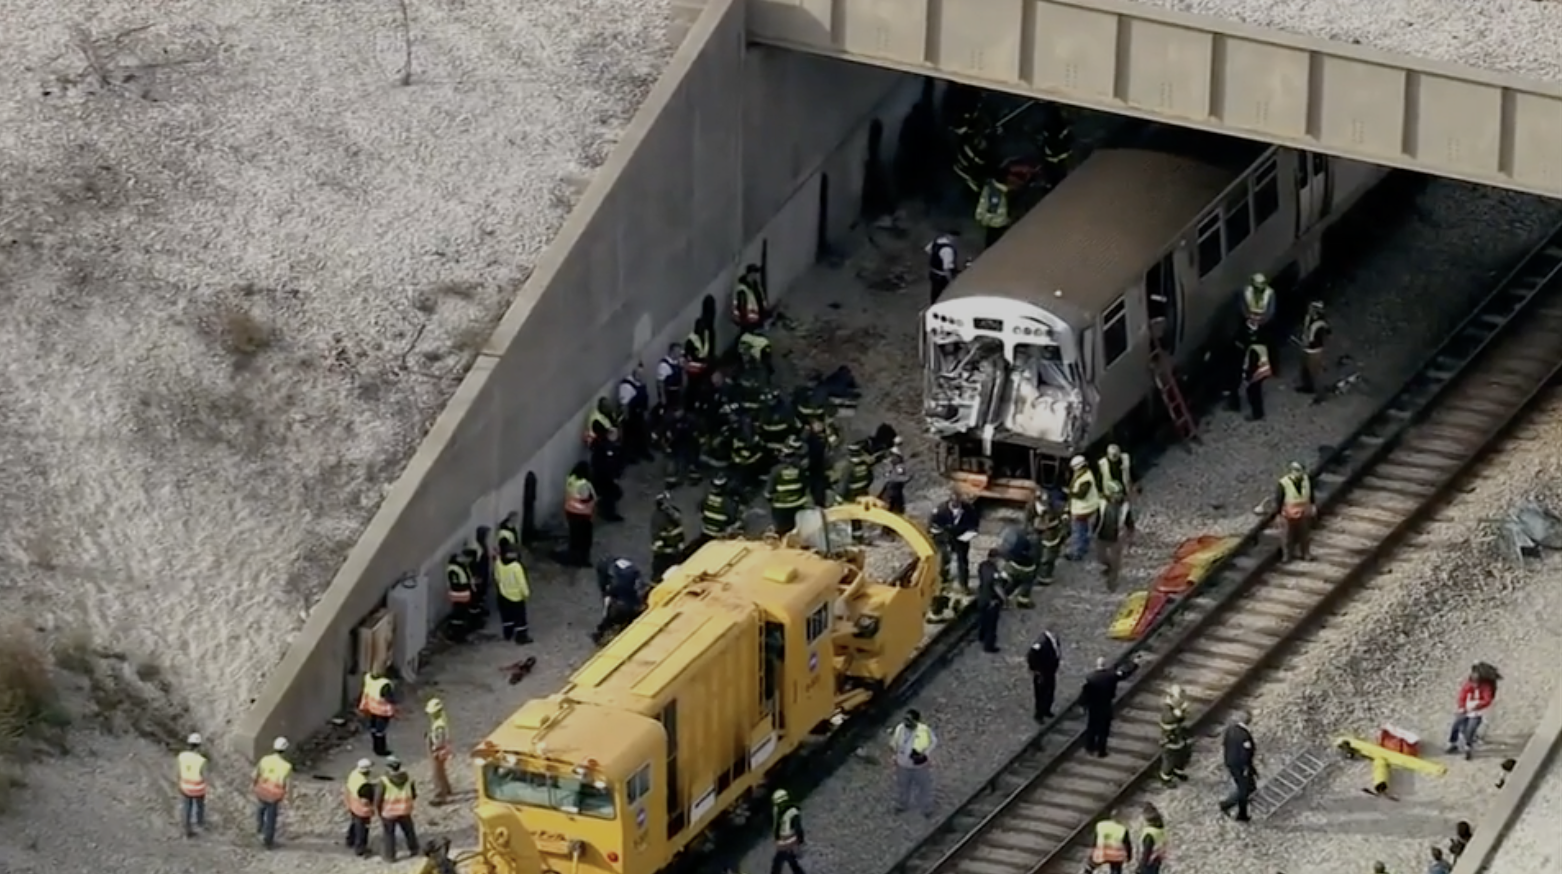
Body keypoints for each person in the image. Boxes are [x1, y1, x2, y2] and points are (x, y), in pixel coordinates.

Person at [1080, 655, 1142, 757]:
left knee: (1091, 727)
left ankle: (1089, 747)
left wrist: (1083, 704)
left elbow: (1085, 693)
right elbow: (1124, 674)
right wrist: (1134, 664)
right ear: (1105, 665)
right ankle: (1101, 751)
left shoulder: (1090, 677)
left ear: (1097, 665)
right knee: (1103, 729)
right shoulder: (1111, 676)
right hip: (1106, 705)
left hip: (1093, 706)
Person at [889, 710, 937, 816]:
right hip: (902, 765)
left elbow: (933, 742)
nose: (906, 722)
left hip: (919, 766)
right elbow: (894, 742)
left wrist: (925, 754)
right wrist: (894, 751)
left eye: (909, 720)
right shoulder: (900, 728)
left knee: (924, 787)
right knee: (903, 786)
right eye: (905, 719)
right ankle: (902, 805)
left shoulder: (924, 730)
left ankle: (927, 809)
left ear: (916, 721)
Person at [1448, 663, 1499, 758]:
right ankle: (1453, 742)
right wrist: (1462, 707)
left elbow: (1487, 700)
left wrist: (1478, 705)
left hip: (1477, 712)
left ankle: (1468, 746)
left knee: (1470, 729)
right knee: (1456, 724)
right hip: (1466, 709)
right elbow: (1462, 696)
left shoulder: (1486, 688)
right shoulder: (1468, 685)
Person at [252, 736, 293, 850]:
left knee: (260, 809)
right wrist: (289, 798)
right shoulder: (286, 766)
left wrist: (254, 785)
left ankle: (259, 829)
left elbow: (255, 774)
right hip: (274, 796)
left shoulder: (265, 760)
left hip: (262, 791)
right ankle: (268, 841)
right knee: (271, 817)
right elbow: (288, 785)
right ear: (285, 750)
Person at [377, 756, 421, 862]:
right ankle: (414, 849)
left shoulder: (384, 781)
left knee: (389, 834)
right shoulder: (408, 779)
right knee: (409, 831)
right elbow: (413, 794)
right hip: (405, 809)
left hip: (389, 812)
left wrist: (379, 811)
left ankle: (390, 856)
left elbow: (378, 798)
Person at [929, 494, 977, 590]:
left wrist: (969, 532)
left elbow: (974, 522)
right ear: (950, 502)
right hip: (945, 538)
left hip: (961, 538)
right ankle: (943, 581)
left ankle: (963, 585)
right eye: (955, 504)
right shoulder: (941, 510)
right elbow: (933, 524)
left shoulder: (968, 509)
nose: (957, 506)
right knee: (944, 559)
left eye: (958, 504)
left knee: (962, 561)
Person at [1269, 461, 1314, 562]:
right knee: (1287, 536)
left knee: (1305, 535)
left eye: (1301, 471)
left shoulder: (1306, 480)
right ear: (1292, 471)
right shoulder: (1284, 483)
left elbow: (1311, 493)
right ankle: (1287, 556)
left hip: (1303, 512)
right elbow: (1279, 499)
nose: (1300, 473)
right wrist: (1278, 514)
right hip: (1288, 514)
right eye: (1297, 471)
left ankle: (1305, 553)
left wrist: (1313, 506)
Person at [1094, 481, 1135, 590]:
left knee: (1116, 562)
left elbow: (1129, 522)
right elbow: (1098, 519)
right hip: (1101, 535)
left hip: (1117, 537)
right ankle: (1108, 566)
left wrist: (1130, 535)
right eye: (1116, 493)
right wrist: (1094, 531)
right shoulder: (1102, 504)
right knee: (1100, 557)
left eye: (1119, 493)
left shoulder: (1125, 507)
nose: (1118, 496)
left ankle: (1112, 583)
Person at [594, 557, 646, 643]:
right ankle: (604, 632)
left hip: (622, 594)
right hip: (626, 594)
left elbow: (608, 590)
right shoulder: (628, 576)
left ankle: (602, 633)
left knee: (612, 613)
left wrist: (606, 593)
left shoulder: (619, 580)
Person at [1220, 711, 1258, 822]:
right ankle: (1238, 812)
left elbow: (1225, 744)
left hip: (1231, 762)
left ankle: (1248, 796)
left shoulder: (1230, 729)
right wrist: (1245, 768)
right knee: (1243, 789)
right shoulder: (1244, 735)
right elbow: (1245, 754)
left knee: (1249, 785)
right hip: (1241, 766)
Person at [494, 545, 532, 644]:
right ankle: (521, 637)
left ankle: (508, 634)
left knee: (507, 617)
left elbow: (497, 577)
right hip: (516, 596)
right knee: (520, 618)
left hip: (503, 594)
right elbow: (522, 582)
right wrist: (526, 594)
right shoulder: (516, 567)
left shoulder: (498, 562)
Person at [766, 451, 810, 535]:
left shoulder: (776, 471)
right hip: (797, 506)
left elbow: (768, 492)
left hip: (781, 508)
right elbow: (805, 485)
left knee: (781, 531)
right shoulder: (800, 470)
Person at [1067, 455, 1101, 561]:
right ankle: (1084, 547)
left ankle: (1077, 553)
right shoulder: (1086, 473)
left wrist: (1070, 493)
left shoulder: (1085, 478)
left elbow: (1081, 494)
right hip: (1090, 506)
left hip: (1082, 509)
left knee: (1078, 530)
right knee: (1084, 528)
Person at [563, 461, 597, 567]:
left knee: (574, 537)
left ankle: (573, 557)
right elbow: (586, 497)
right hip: (582, 514)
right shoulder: (584, 484)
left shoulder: (571, 479)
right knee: (585, 539)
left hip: (570, 511)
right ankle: (582, 560)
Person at [616, 365, 653, 463]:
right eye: (639, 375)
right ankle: (630, 457)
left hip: (640, 413)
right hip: (631, 415)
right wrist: (627, 418)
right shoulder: (627, 386)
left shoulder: (640, 383)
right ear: (634, 374)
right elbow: (624, 404)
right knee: (630, 437)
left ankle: (643, 451)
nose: (642, 377)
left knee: (642, 433)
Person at [358, 666, 397, 757]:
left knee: (374, 729)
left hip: (371, 708)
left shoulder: (368, 678)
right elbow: (390, 698)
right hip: (382, 711)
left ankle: (375, 747)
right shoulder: (385, 684)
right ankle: (381, 750)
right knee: (381, 731)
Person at [999, 523, 1039, 607]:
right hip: (1027, 569)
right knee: (1027, 584)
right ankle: (1023, 600)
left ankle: (1003, 596)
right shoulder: (1033, 542)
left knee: (1012, 582)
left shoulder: (1011, 541)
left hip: (1012, 566)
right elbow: (1036, 557)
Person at [177, 732, 209, 838]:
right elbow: (204, 775)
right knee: (200, 805)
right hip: (198, 788)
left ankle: (187, 828)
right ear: (199, 746)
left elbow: (178, 770)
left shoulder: (182, 756)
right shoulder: (201, 760)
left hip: (185, 786)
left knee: (187, 807)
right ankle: (199, 822)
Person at [1158, 685, 1191, 785]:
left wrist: (1182, 712)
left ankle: (1178, 771)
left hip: (1179, 738)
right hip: (1170, 741)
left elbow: (1181, 720)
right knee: (1169, 762)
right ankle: (1166, 779)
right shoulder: (1167, 710)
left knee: (1182, 757)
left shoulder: (1175, 707)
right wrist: (1179, 714)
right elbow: (1169, 720)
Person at [1297, 300, 1331, 399]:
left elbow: (1325, 334)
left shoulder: (1320, 324)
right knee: (1305, 370)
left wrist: (1310, 342)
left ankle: (1320, 394)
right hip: (1306, 348)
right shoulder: (1308, 318)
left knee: (1314, 372)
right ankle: (1307, 387)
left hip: (1315, 350)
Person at [589, 433, 625, 522]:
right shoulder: (601, 450)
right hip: (602, 479)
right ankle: (607, 513)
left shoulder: (607, 448)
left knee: (615, 493)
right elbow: (602, 466)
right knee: (611, 494)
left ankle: (605, 508)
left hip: (606, 477)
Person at [974, 550, 1006, 653]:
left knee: (983, 619)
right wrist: (1004, 599)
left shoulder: (982, 565)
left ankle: (981, 636)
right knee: (991, 625)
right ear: (995, 558)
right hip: (991, 601)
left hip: (981, 597)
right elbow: (997, 587)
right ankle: (989, 646)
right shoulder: (994, 572)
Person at [650, 493, 686, 582]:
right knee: (660, 574)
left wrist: (680, 542)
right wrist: (669, 551)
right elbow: (657, 544)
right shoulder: (659, 521)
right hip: (665, 554)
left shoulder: (671, 514)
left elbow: (678, 530)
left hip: (675, 549)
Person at [698, 474, 740, 548]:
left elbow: (701, 510)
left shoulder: (706, 498)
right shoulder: (728, 502)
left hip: (705, 531)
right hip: (720, 534)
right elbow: (732, 520)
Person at [424, 699, 454, 805]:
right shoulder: (442, 718)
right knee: (441, 771)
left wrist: (434, 748)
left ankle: (440, 795)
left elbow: (440, 739)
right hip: (444, 749)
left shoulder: (439, 725)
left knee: (437, 773)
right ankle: (447, 789)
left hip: (439, 750)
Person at [1026, 629, 1060, 721]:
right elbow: (1031, 654)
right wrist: (1034, 669)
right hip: (1042, 673)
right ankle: (1039, 715)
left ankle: (1046, 710)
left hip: (1050, 670)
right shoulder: (1041, 642)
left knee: (1050, 691)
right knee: (1041, 694)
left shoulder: (1055, 638)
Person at [343, 758, 375, 857]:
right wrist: (372, 809)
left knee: (354, 823)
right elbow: (365, 800)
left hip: (352, 804)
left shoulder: (354, 774)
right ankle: (360, 848)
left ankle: (350, 840)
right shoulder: (364, 783)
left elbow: (348, 788)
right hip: (362, 809)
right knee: (362, 828)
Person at [444, 550, 477, 643]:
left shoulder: (462, 566)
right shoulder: (454, 569)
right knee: (458, 616)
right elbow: (456, 583)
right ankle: (456, 635)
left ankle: (459, 633)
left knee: (461, 615)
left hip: (463, 594)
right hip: (459, 595)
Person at [770, 788, 805, 874]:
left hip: (789, 844)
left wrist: (799, 844)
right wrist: (777, 837)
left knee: (782, 863)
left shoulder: (793, 813)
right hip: (783, 843)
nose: (778, 806)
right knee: (787, 863)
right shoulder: (777, 810)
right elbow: (777, 825)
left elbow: (799, 830)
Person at [1033, 496, 1066, 586]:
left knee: (1048, 559)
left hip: (1051, 539)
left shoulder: (1055, 510)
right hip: (1042, 538)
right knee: (1041, 557)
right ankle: (1042, 575)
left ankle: (1044, 577)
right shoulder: (1033, 507)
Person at [1240, 338, 1273, 421]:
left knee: (1253, 394)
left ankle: (1256, 414)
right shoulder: (1261, 347)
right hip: (1262, 372)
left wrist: (1248, 377)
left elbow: (1252, 365)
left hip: (1256, 374)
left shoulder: (1253, 350)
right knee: (1257, 393)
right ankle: (1259, 413)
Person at [974, 177, 1012, 248]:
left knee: (992, 245)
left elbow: (992, 210)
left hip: (995, 223)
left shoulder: (994, 190)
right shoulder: (997, 190)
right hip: (997, 222)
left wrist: (983, 221)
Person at [732, 263, 769, 333]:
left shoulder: (756, 287)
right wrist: (745, 324)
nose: (756, 276)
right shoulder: (742, 289)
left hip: (757, 322)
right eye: (755, 273)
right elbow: (742, 308)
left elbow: (760, 302)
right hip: (748, 324)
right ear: (750, 274)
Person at [878, 440, 910, 514]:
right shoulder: (897, 458)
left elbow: (890, 472)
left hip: (892, 485)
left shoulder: (893, 458)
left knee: (890, 505)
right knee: (896, 505)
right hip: (895, 485)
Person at [926, 233, 958, 304]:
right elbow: (946, 268)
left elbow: (928, 250)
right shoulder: (947, 250)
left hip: (933, 273)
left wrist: (936, 258)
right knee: (944, 295)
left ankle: (933, 305)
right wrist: (951, 280)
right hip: (942, 277)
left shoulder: (936, 242)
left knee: (934, 293)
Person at [1136, 804, 1166, 874]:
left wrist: (1141, 867)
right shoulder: (1160, 827)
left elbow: (1147, 852)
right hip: (1157, 859)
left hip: (1149, 863)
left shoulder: (1149, 834)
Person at [656, 342, 686, 412]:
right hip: (669, 393)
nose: (680, 354)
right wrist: (663, 398)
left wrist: (683, 368)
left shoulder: (678, 362)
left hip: (677, 392)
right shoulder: (664, 365)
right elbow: (660, 383)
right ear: (672, 351)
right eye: (678, 352)